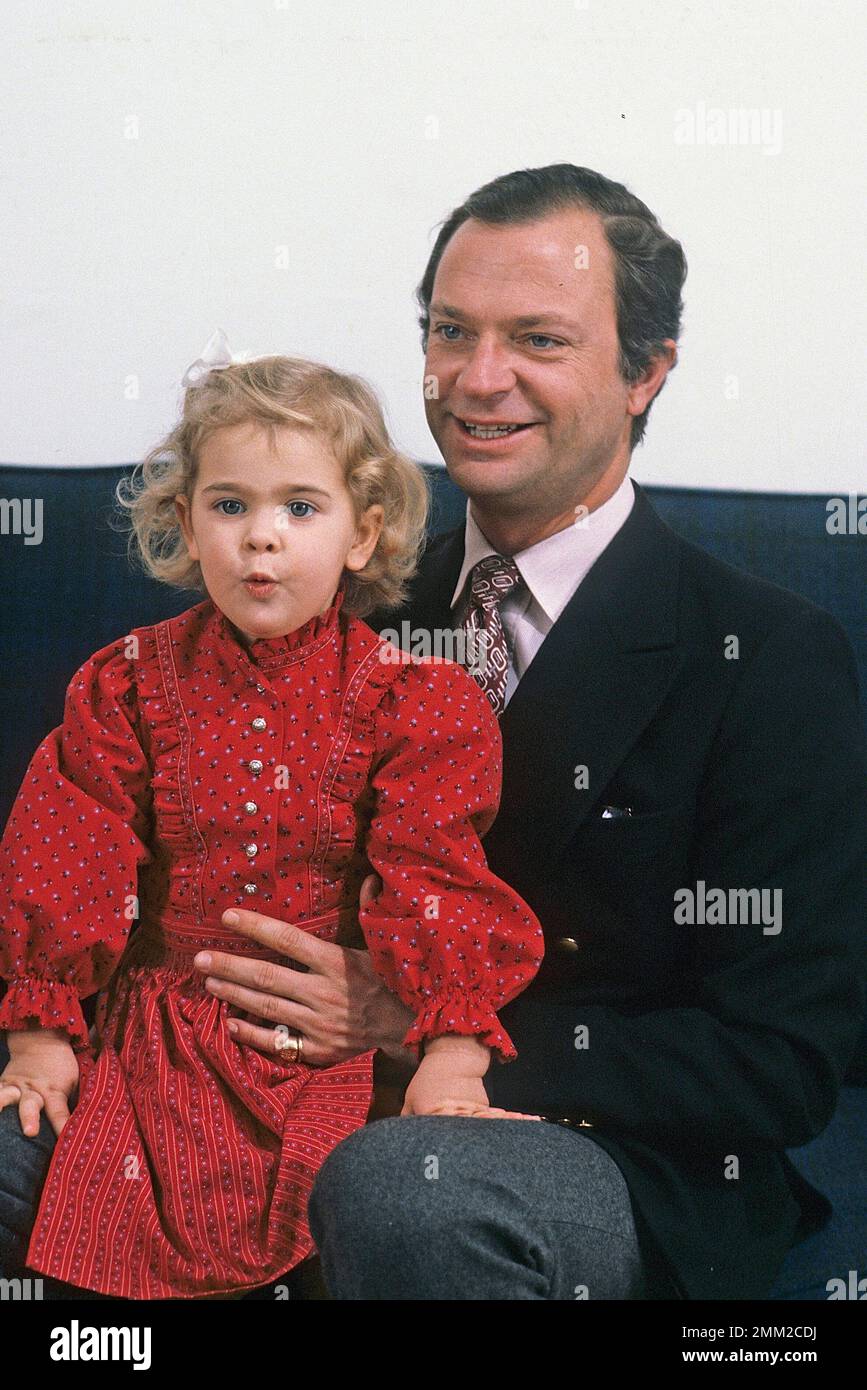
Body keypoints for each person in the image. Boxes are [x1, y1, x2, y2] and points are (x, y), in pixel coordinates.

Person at [187, 166, 866, 1301]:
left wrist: (424, 1024)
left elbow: (783, 1063)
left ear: (649, 371)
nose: (477, 380)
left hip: (604, 1149)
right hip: (282, 1098)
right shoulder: (322, 595)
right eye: (452, 332)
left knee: (404, 1187)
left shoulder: (765, 654)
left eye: (538, 340)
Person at [0, 346, 546, 1300]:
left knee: (359, 1217)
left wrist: (450, 1060)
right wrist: (41, 1036)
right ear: (185, 523)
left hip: (323, 1058)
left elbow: (439, 882)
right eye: (230, 505)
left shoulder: (414, 705)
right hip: (153, 1049)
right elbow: (69, 851)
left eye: (300, 507)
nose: (262, 538)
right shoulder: (122, 684)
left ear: (362, 535)